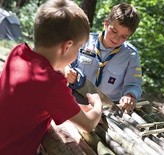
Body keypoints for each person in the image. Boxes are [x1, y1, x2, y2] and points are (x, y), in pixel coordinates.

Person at [0, 0, 102, 154]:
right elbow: (88, 124)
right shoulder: (50, 83)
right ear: (67, 46)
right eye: (79, 48)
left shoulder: (18, 52)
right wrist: (98, 104)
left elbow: (36, 101)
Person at [67, 3, 142, 113]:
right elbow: (66, 63)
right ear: (106, 23)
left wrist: (130, 96)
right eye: (114, 31)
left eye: (123, 36)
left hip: (108, 108)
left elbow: (134, 84)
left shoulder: (131, 55)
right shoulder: (84, 41)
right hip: (76, 100)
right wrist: (67, 71)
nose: (116, 39)